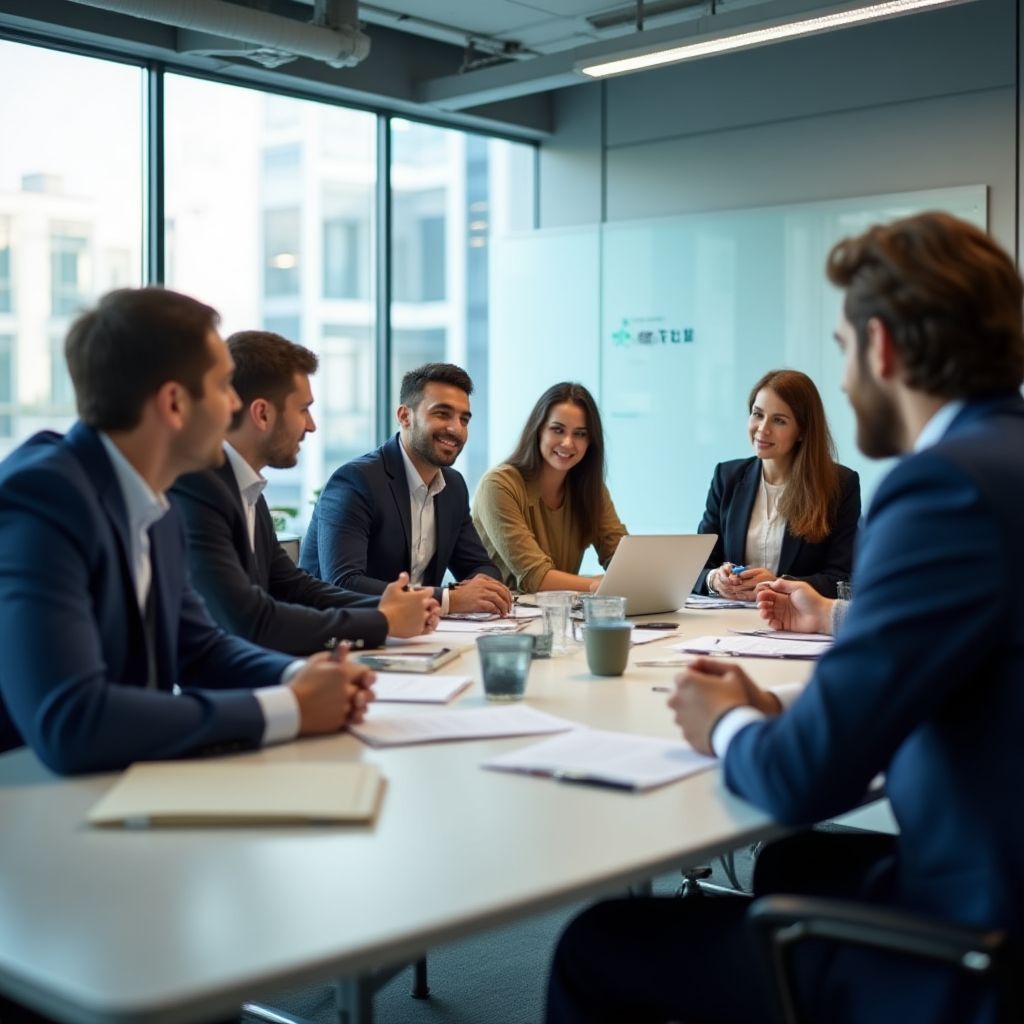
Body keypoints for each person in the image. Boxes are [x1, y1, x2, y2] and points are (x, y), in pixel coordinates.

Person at [546, 212, 1024, 1023]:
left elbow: (805, 779)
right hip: (998, 858)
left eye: (843, 348)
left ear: (881, 346)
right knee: (791, 863)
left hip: (973, 937)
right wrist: (808, 664)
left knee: (596, 944)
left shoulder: (943, 486)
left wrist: (729, 723)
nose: (845, 379)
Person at [0, 288, 375, 775]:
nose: (235, 404)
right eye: (222, 387)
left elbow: (198, 648)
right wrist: (291, 708)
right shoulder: (44, 499)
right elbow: (73, 720)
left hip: (121, 782)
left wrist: (300, 675)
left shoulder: (155, 501)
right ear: (174, 404)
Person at [170, 330, 438, 656]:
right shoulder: (201, 489)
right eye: (303, 410)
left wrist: (390, 607)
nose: (311, 425)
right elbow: (251, 622)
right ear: (262, 414)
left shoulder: (245, 489)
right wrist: (383, 620)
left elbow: (293, 586)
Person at [300, 363, 512, 616]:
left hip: (417, 630)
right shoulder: (356, 481)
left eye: (463, 419)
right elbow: (344, 583)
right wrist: (448, 599)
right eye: (442, 414)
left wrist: (476, 591)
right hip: (341, 629)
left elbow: (481, 567)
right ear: (404, 416)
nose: (456, 429)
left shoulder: (453, 487)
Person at [695, 368, 860, 599]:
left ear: (802, 431)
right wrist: (714, 580)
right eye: (758, 414)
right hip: (731, 615)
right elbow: (696, 567)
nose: (763, 429)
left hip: (796, 618)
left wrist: (777, 584)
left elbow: (841, 580)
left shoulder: (840, 485)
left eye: (779, 420)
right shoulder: (726, 477)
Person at [471, 382, 628, 593]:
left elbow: (621, 556)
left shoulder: (591, 489)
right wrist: (598, 584)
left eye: (580, 434)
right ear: (538, 430)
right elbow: (534, 577)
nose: (568, 443)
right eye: (558, 430)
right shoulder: (498, 486)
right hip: (505, 610)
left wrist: (634, 576)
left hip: (562, 609)